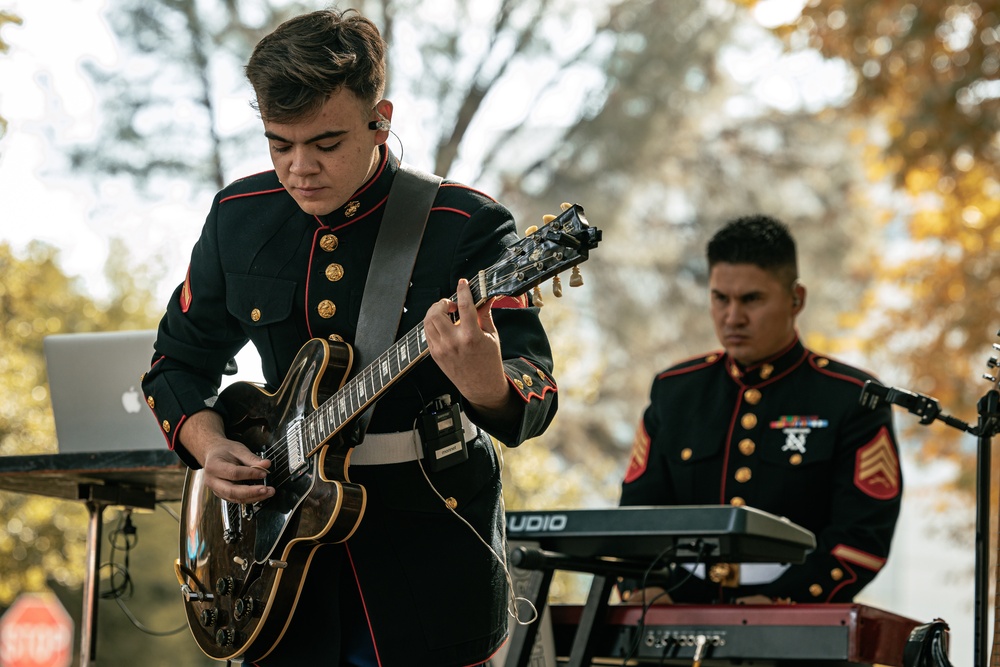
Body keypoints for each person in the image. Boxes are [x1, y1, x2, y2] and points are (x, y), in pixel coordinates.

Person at [141, 9, 558, 666]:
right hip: (275, 567)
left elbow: (536, 383)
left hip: (426, 560)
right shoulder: (237, 218)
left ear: (379, 117)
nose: (299, 168)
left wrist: (489, 383)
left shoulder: (466, 225)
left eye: (326, 144)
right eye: (280, 144)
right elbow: (174, 364)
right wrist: (208, 442)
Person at [618, 214, 901, 605]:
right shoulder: (675, 391)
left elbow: (862, 536)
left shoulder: (851, 398)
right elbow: (638, 513)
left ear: (796, 299)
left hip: (796, 627)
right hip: (677, 613)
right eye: (721, 298)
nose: (733, 317)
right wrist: (643, 588)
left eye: (752, 299)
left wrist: (785, 600)